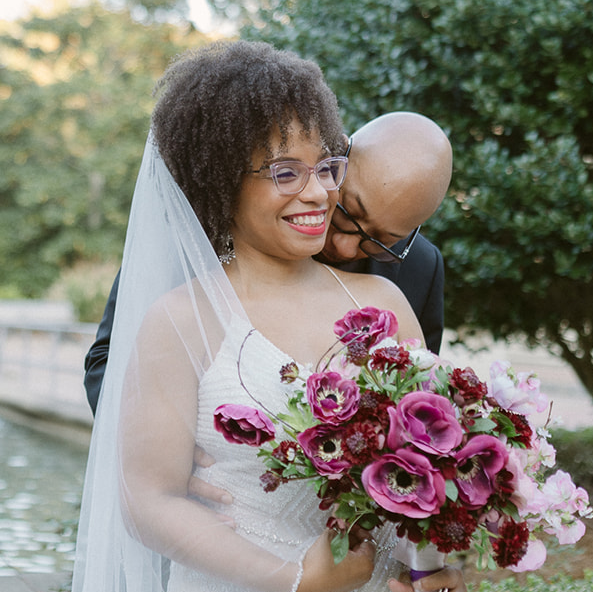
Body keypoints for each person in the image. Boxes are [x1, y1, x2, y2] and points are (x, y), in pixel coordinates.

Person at [65, 41, 456, 592]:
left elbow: (423, 458)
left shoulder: (396, 293)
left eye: (324, 171)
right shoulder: (180, 291)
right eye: (287, 173)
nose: (329, 211)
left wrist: (438, 570)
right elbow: (138, 462)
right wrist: (178, 461)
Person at [83, 112, 453, 413]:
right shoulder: (206, 224)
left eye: (379, 243)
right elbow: (105, 361)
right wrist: (173, 457)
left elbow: (416, 410)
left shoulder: (419, 269)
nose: (343, 245)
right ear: (334, 158)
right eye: (347, 213)